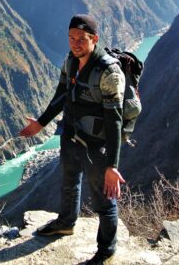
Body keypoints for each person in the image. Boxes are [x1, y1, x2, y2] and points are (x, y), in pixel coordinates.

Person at [20, 14, 126, 265]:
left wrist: (113, 164)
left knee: (104, 201)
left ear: (94, 39)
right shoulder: (71, 61)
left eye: (81, 39)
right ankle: (66, 223)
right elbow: (61, 94)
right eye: (71, 38)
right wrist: (41, 123)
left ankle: (106, 251)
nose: (75, 43)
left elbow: (115, 121)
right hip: (71, 136)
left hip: (97, 145)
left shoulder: (109, 72)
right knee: (69, 183)